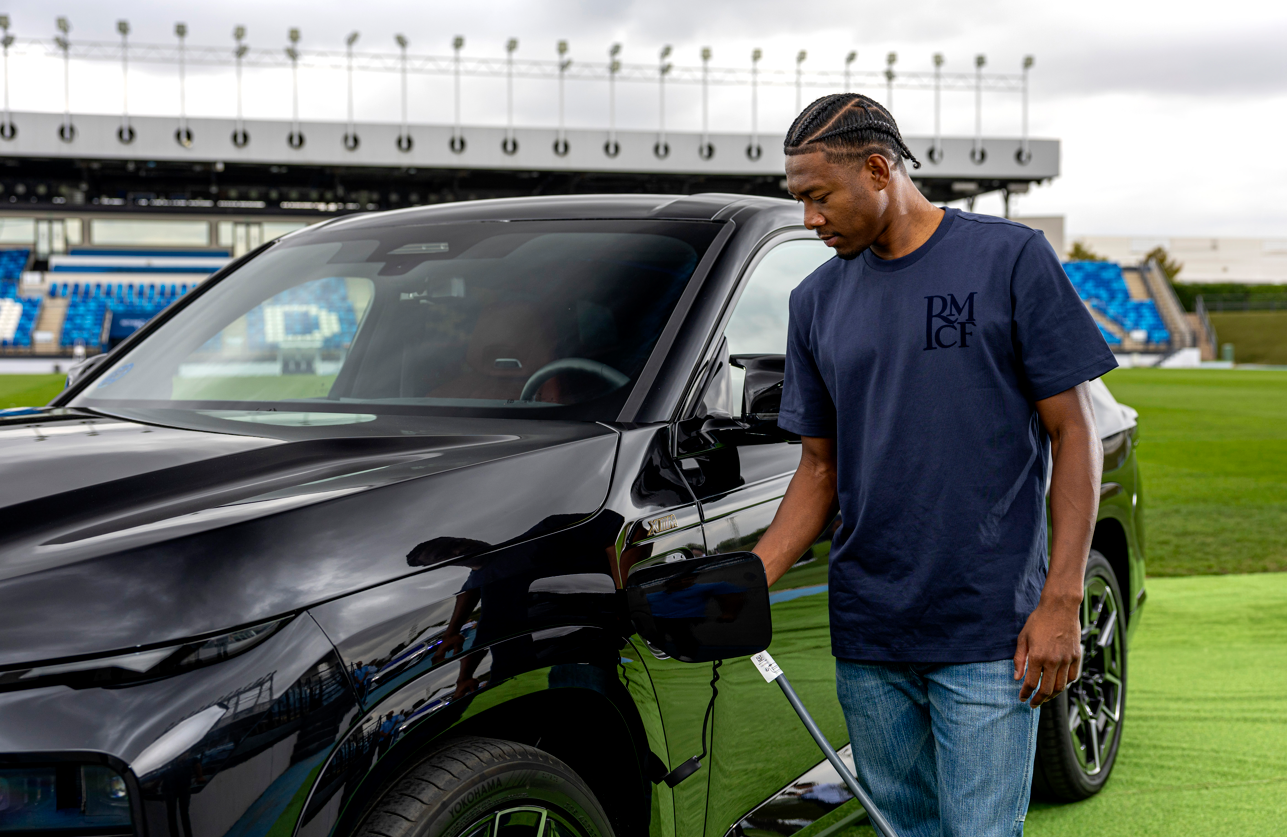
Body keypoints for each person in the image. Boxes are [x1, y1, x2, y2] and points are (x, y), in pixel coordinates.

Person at [752, 93, 1115, 837]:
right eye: (798, 200)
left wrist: (1060, 600)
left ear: (878, 169)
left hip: (987, 626)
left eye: (818, 197)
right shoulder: (812, 300)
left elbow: (1072, 432)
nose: (808, 220)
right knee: (902, 829)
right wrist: (744, 581)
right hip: (869, 632)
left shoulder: (1008, 257)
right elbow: (818, 469)